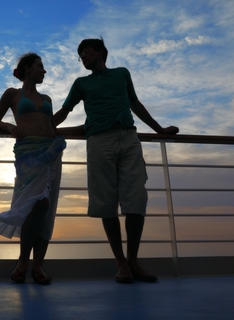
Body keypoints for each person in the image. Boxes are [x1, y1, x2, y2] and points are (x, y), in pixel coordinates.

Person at [54, 38, 179, 283]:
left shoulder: (122, 74)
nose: (82, 57)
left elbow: (134, 103)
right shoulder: (81, 83)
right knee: (106, 201)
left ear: (101, 52)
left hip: (129, 138)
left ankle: (133, 261)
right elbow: (64, 112)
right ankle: (120, 262)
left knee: (136, 198)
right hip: (99, 141)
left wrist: (159, 130)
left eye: (86, 51)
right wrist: (39, 126)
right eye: (80, 55)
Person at [0, 52, 66, 284]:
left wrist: (73, 109)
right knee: (36, 205)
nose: (44, 70)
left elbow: (52, 124)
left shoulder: (48, 98)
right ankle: (24, 262)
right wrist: (10, 127)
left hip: (51, 152)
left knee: (46, 209)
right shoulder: (12, 94)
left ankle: (37, 267)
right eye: (40, 66)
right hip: (28, 155)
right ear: (27, 69)